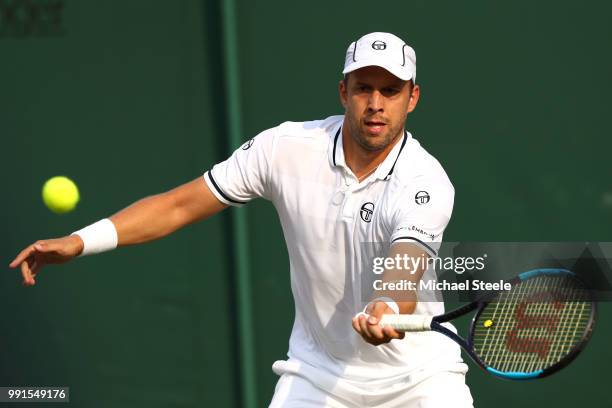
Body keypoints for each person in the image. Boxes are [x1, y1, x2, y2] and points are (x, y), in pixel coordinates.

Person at [10, 32, 473, 407]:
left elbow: (404, 266)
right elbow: (179, 205)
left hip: (421, 382)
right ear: (343, 92)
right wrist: (80, 240)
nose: (376, 103)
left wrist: (387, 307)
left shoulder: (424, 181)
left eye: (390, 91)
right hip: (319, 376)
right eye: (363, 89)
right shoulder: (285, 149)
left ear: (411, 98)